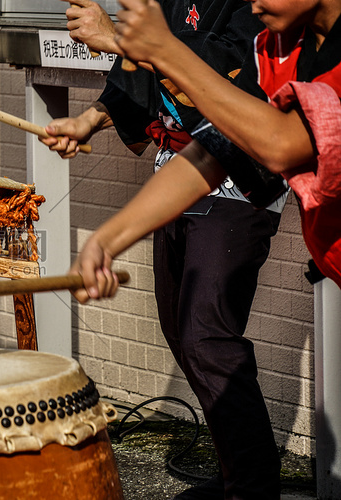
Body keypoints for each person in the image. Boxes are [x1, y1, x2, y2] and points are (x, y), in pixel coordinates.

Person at [68, 0, 341, 498]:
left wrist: (157, 48)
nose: (254, 2)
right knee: (186, 332)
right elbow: (219, 148)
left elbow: (278, 143)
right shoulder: (281, 46)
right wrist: (109, 237)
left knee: (205, 334)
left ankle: (251, 482)